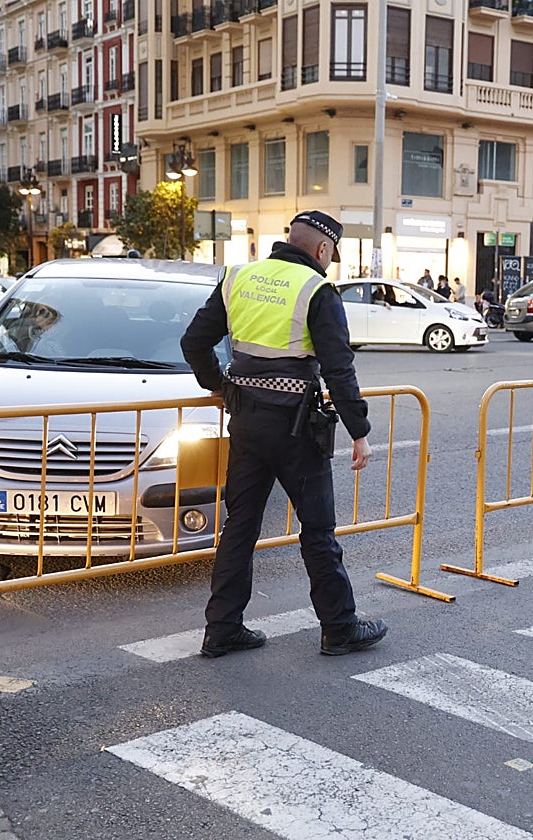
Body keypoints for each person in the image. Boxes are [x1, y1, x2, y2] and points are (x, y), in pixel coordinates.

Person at [181, 210, 387, 658]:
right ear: (323, 249)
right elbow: (338, 368)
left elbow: (193, 342)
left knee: (239, 526)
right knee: (317, 530)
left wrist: (218, 385)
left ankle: (222, 629)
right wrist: (360, 431)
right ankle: (339, 627)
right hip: (296, 429)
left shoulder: (238, 277)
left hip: (247, 422)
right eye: (332, 255)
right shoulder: (317, 289)